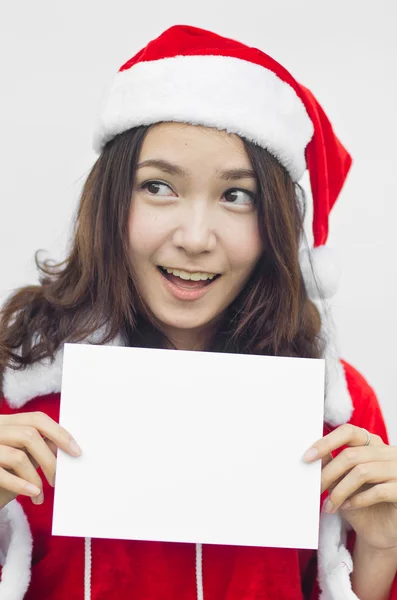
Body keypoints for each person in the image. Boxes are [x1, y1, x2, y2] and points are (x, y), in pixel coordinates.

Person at [0, 24, 396, 600]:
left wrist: (383, 550)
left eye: (238, 195)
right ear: (111, 202)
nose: (194, 237)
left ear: (277, 227)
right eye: (158, 187)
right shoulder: (17, 386)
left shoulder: (338, 409)